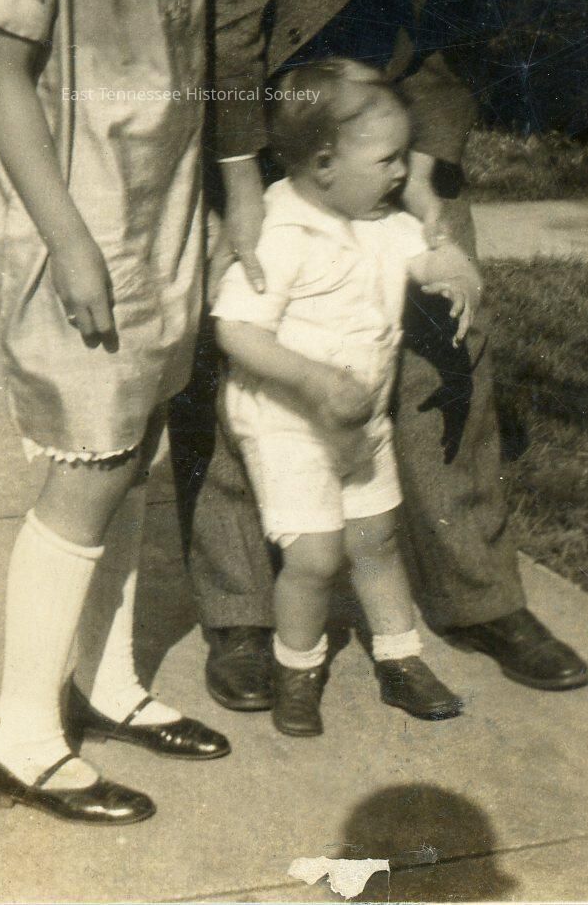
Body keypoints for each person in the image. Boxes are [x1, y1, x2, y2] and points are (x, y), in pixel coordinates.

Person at [170, 0, 588, 709]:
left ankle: (476, 588)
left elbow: (471, 3)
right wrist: (237, 170)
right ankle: (242, 606)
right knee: (256, 335)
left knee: (449, 329)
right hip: (270, 75)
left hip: (400, 88)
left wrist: (431, 173)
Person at [0, 0, 264, 824]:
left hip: (159, 210)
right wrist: (72, 242)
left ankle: (107, 681)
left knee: (132, 447)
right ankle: (20, 734)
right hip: (81, 218)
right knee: (86, 466)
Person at [212, 59, 477, 735]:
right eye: (388, 160)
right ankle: (296, 669)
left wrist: (451, 265)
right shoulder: (278, 230)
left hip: (359, 418)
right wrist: (310, 379)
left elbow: (425, 254)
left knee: (375, 539)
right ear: (325, 163)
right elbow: (236, 329)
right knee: (314, 557)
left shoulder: (381, 220)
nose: (401, 173)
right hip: (288, 422)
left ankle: (400, 656)